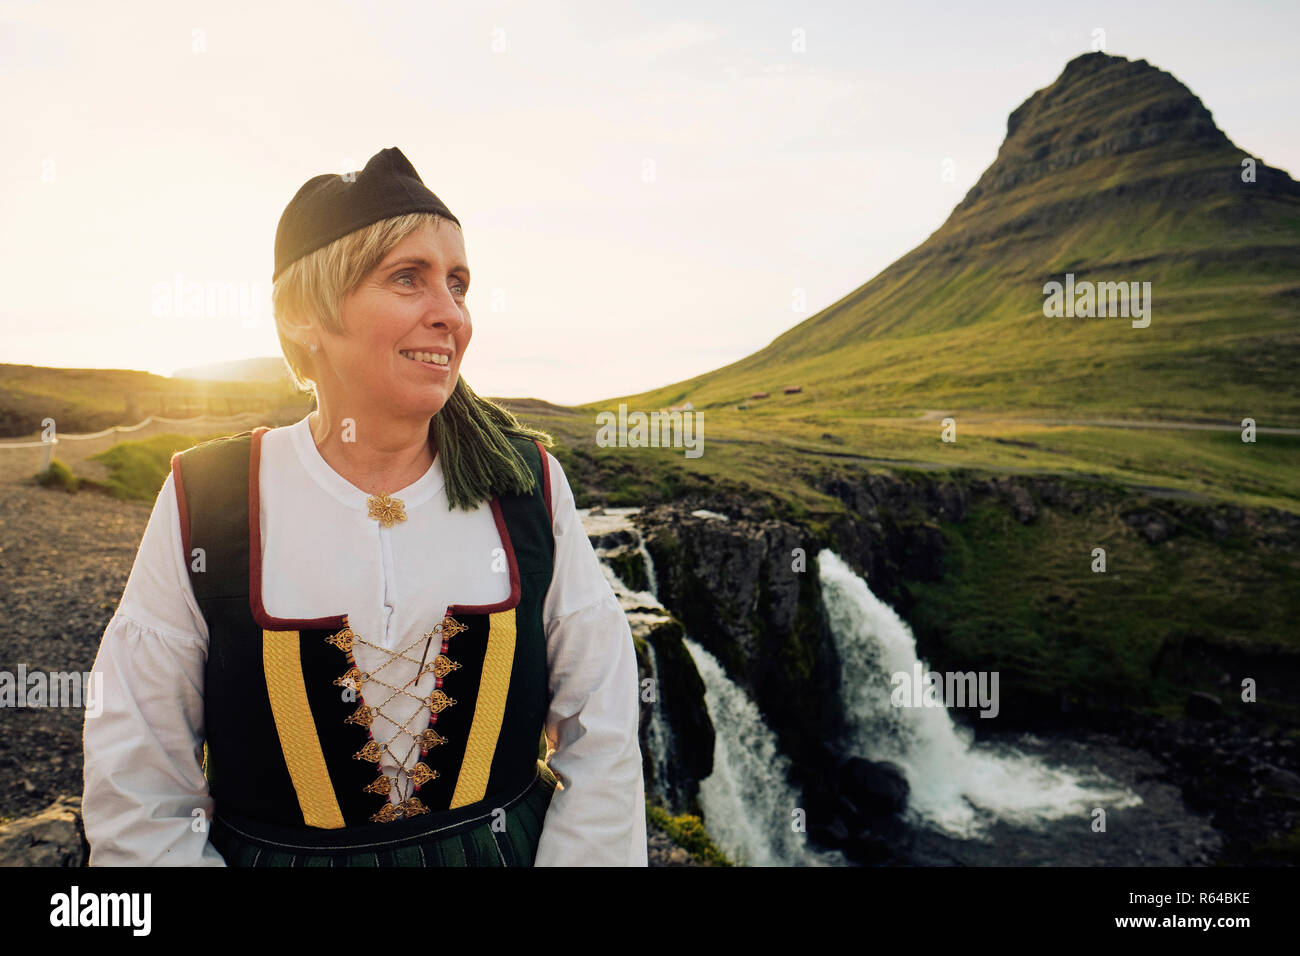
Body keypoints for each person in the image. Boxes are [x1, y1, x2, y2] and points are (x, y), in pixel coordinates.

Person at [81, 146, 648, 866]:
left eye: (459, 284)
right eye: (407, 279)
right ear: (302, 315)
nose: (450, 315)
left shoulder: (528, 483)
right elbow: (139, 780)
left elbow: (603, 732)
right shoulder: (209, 499)